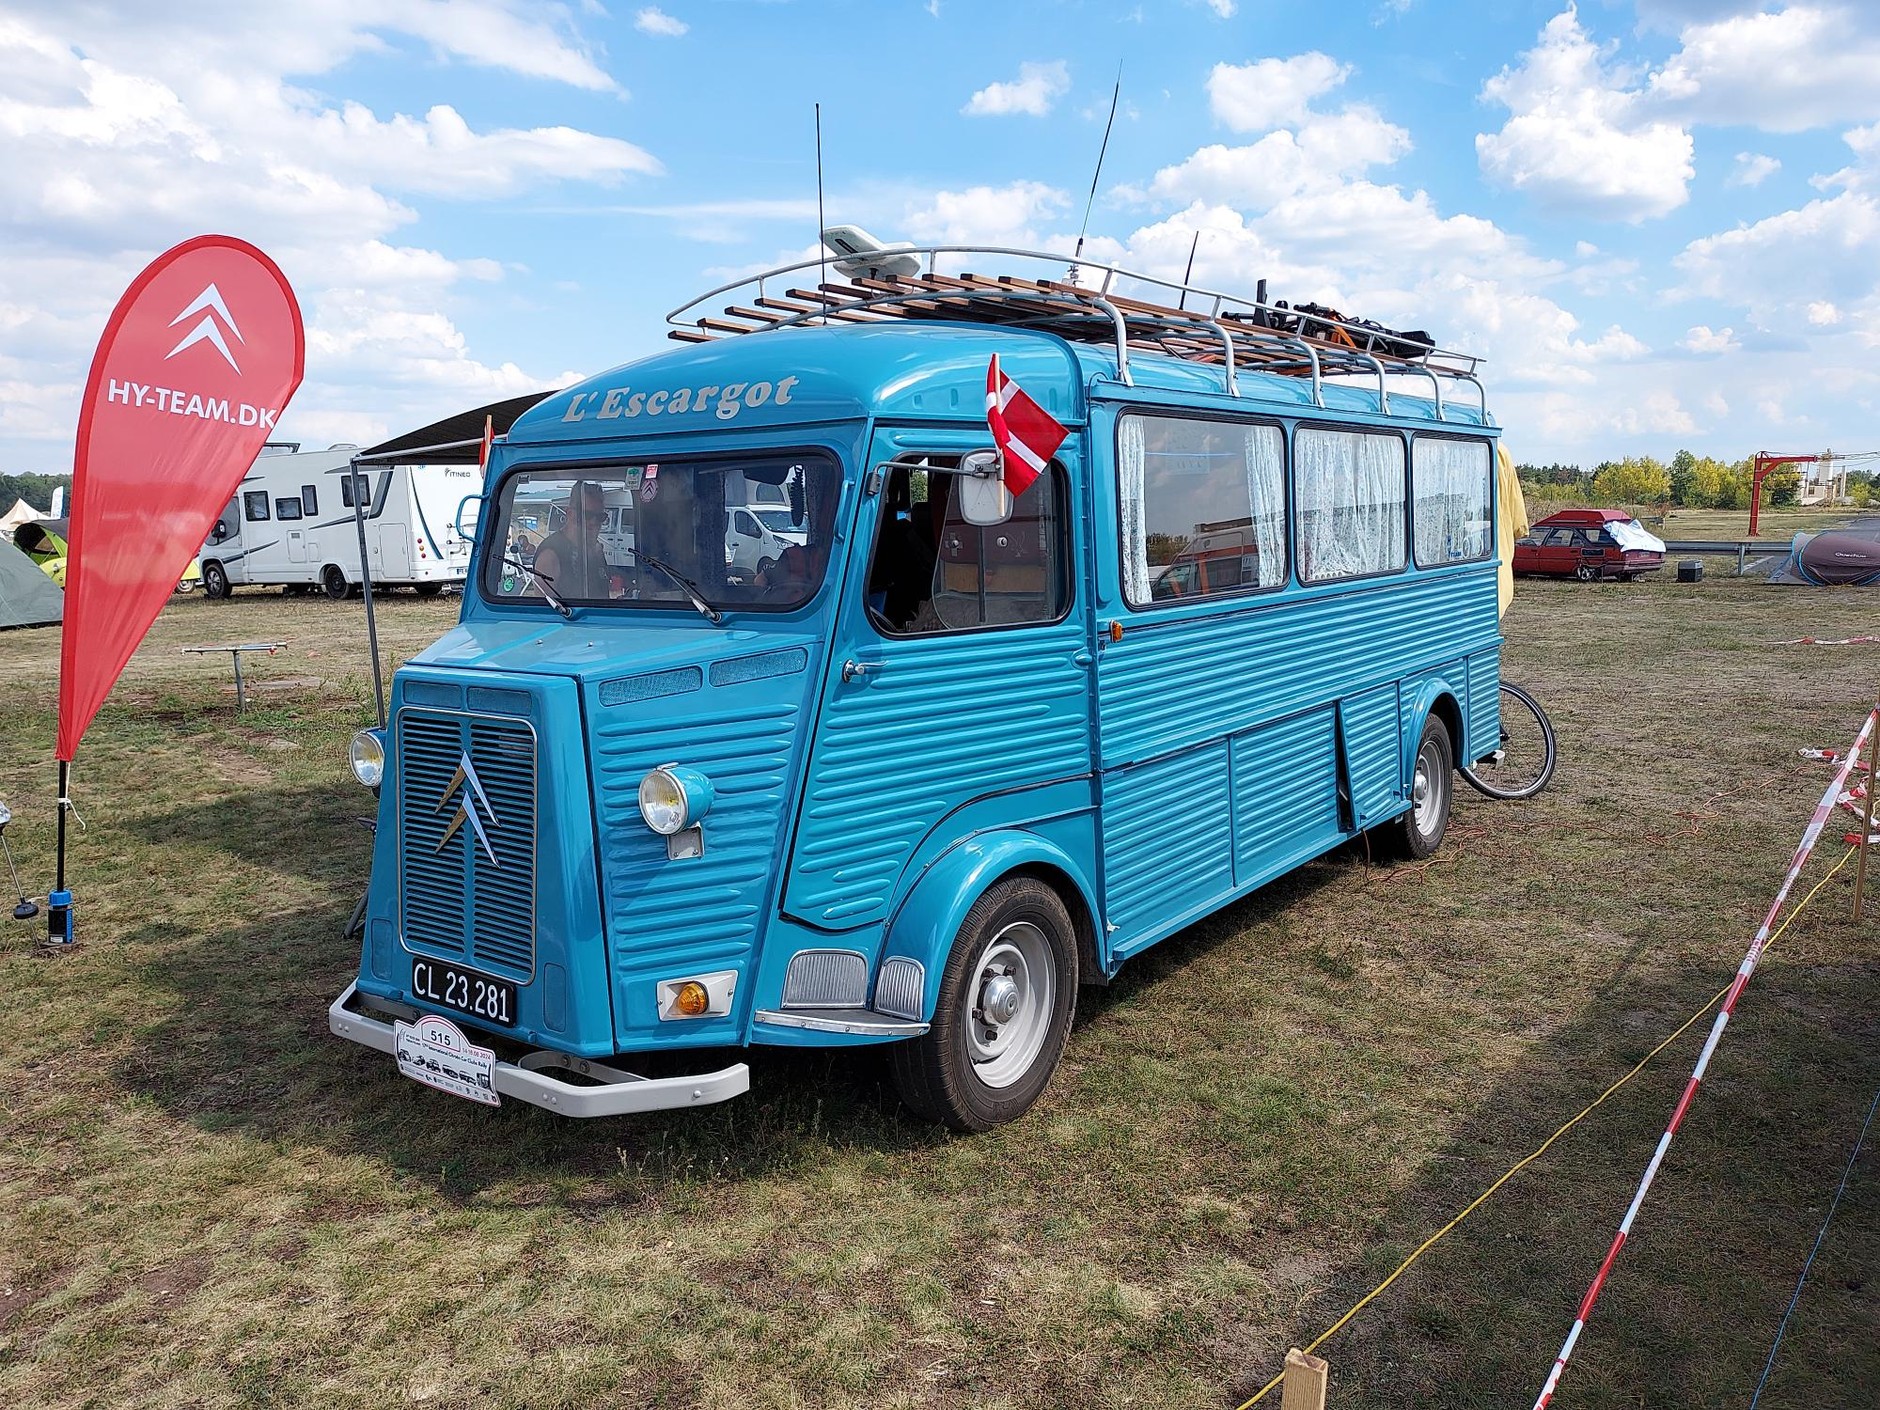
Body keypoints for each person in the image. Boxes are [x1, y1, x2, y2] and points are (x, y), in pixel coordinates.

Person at [531, 481, 615, 599]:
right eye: (587, 515)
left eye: (600, 517)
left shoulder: (596, 549)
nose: (594, 523)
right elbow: (544, 606)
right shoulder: (550, 555)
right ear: (570, 514)